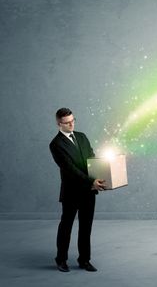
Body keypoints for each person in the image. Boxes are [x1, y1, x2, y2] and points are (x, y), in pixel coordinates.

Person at [49, 108, 106, 272]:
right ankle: (61, 259)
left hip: (89, 191)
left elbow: (91, 158)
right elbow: (69, 169)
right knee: (66, 226)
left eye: (73, 120)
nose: (71, 124)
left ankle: (84, 260)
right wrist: (91, 181)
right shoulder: (56, 144)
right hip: (71, 192)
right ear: (59, 124)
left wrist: (104, 174)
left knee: (86, 227)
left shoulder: (81, 136)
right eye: (67, 122)